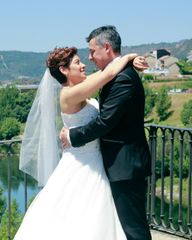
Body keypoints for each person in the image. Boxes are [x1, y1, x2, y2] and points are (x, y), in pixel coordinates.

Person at [14, 46, 147, 239]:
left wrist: (132, 59)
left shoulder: (81, 89)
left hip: (97, 161)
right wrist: (128, 57)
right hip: (81, 164)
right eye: (77, 62)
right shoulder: (68, 94)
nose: (84, 64)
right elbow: (109, 72)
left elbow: (106, 71)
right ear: (64, 70)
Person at [60, 25, 152, 240]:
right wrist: (130, 58)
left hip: (125, 164)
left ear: (107, 47)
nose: (89, 58)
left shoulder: (122, 78)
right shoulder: (115, 74)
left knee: (134, 230)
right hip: (112, 164)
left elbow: (104, 122)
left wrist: (72, 136)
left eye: (92, 51)